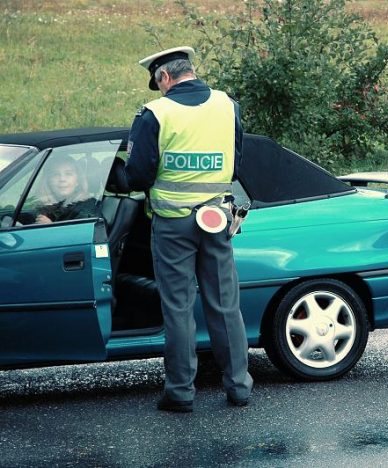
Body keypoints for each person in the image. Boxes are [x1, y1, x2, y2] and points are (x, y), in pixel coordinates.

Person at [124, 46, 252, 413]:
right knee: (225, 305)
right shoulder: (227, 105)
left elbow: (137, 175)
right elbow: (235, 163)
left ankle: (180, 392)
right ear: (190, 70)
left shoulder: (155, 113)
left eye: (159, 83)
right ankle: (239, 387)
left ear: (164, 76)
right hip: (217, 219)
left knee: (178, 308)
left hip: (172, 223)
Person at [34, 154, 98, 224]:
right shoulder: (41, 206)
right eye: (56, 174)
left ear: (77, 181)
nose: (62, 179)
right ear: (48, 181)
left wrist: (50, 226)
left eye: (68, 174)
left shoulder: (87, 207)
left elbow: (83, 230)